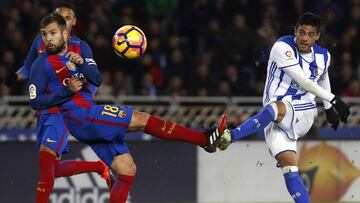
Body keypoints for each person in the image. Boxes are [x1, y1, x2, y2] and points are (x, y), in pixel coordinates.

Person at [29, 12, 227, 203]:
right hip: (80, 116)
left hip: (88, 118)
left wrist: (81, 64)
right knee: (141, 119)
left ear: (64, 34)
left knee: (126, 169)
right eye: (44, 34)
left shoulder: (78, 52)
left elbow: (97, 78)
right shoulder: (41, 64)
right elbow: (35, 102)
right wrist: (67, 92)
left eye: (52, 32)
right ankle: (203, 139)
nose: (48, 38)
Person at [217, 12, 350, 203]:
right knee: (290, 169)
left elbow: (322, 77)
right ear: (295, 30)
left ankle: (230, 136)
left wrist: (329, 107)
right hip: (273, 117)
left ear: (317, 36)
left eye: (310, 34)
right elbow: (303, 80)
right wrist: (334, 101)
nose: (304, 38)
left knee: (275, 107)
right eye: (301, 32)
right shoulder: (282, 47)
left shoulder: (323, 56)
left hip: (302, 110)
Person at [6, 2, 113, 202]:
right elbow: (29, 68)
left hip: (63, 111)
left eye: (66, 19)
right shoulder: (41, 42)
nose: (49, 36)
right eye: (57, 16)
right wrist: (15, 77)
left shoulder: (80, 47)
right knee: (52, 168)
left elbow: (94, 78)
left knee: (46, 163)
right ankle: (100, 167)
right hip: (45, 107)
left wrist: (82, 97)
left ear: (72, 23)